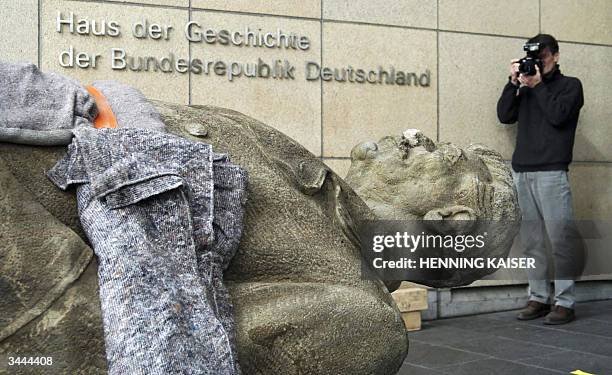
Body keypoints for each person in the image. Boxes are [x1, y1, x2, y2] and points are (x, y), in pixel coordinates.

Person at [497, 34, 584, 324]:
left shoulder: (570, 86)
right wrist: (513, 83)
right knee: (531, 241)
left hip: (552, 172)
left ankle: (565, 302)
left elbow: (559, 116)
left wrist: (538, 85)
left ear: (556, 56)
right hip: (522, 171)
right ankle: (538, 297)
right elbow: (504, 115)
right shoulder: (524, 84)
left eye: (544, 55)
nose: (538, 61)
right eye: (534, 56)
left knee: (560, 239)